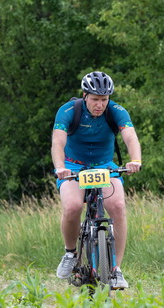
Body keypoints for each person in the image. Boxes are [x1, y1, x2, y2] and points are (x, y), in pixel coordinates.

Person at [51, 71, 142, 289]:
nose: (100, 105)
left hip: (104, 166)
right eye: (95, 99)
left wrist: (135, 160)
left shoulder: (116, 111)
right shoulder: (68, 111)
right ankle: (70, 253)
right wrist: (60, 167)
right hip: (73, 165)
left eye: (104, 99)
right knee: (72, 207)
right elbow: (58, 142)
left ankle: (115, 269)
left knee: (118, 206)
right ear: (85, 96)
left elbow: (130, 136)